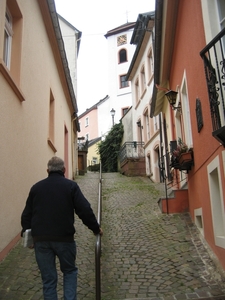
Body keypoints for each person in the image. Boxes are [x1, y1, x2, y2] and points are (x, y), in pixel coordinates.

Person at [21, 156, 103, 300]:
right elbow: (84, 209)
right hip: (64, 239)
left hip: (41, 240)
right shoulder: (71, 186)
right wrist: (95, 228)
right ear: (64, 170)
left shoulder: (36, 188)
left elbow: (26, 215)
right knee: (70, 271)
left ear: (47, 170)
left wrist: (27, 235)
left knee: (48, 279)